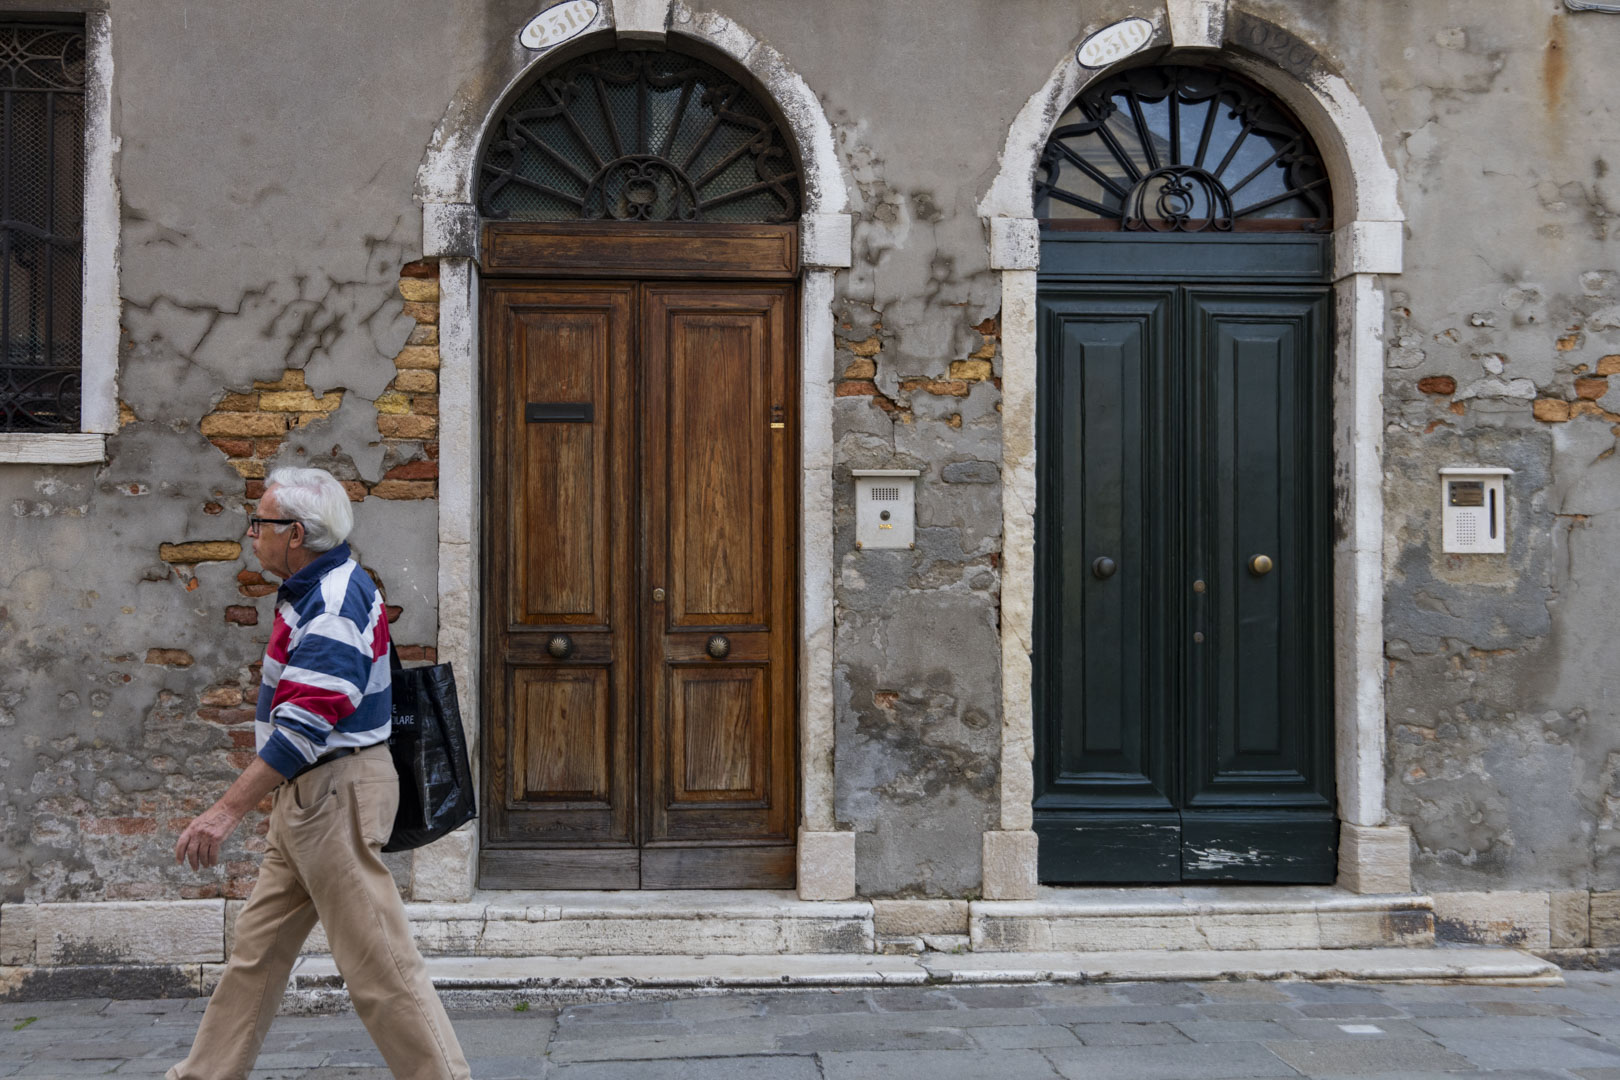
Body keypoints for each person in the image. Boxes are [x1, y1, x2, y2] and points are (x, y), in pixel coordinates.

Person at [168, 466, 469, 1080]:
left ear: (296, 534)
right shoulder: (316, 590)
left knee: (380, 967)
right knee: (256, 956)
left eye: (261, 523)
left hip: (334, 794)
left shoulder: (332, 603)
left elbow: (303, 729)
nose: (252, 534)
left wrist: (224, 812)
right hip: (311, 798)